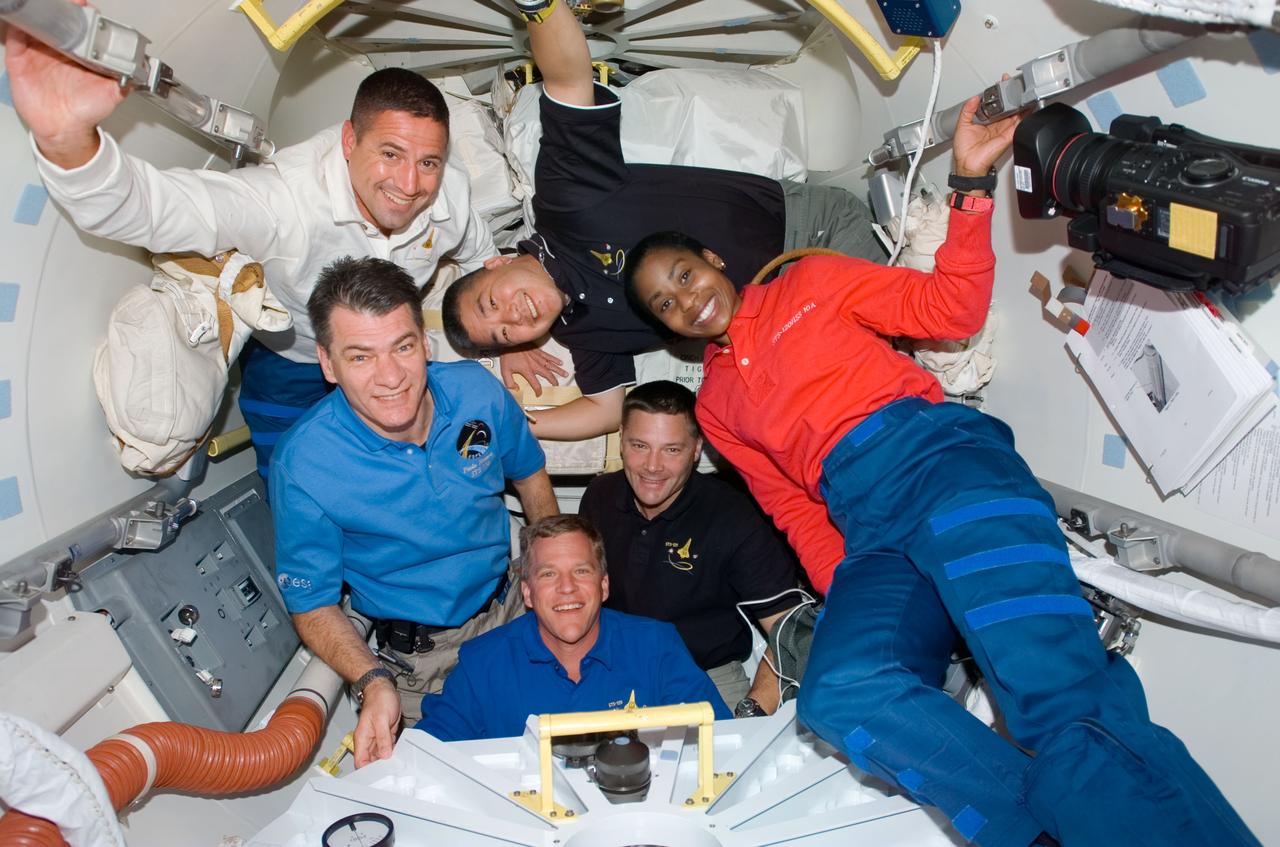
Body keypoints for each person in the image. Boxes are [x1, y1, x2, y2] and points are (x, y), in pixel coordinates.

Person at [623, 101, 1260, 846]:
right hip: (869, 533)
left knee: (1055, 700)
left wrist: (969, 184)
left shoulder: (810, 284)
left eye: (685, 274)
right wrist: (847, 589)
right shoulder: (717, 403)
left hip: (944, 470)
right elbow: (793, 509)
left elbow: (949, 309)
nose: (687, 299)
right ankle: (1035, 832)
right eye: (666, 303)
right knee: (842, 694)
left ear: (713, 260)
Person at [5, 9, 496, 474]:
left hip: (391, 356)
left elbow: (479, 251)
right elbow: (151, 208)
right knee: (288, 473)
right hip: (293, 359)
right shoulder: (282, 201)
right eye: (390, 154)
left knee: (407, 466)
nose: (410, 184)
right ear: (350, 141)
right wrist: (66, 138)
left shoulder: (447, 192)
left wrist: (510, 339)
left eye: (428, 162)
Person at [438, 0, 884, 442]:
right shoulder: (584, 333)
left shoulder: (566, 203)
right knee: (813, 411)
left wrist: (540, 8)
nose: (514, 317)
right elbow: (605, 411)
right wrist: (516, 425)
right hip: (779, 318)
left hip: (809, 232)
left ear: (496, 263)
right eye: (505, 334)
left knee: (861, 378)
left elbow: (568, 82)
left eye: (492, 303)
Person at [270, 257, 558, 767]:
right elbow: (311, 604)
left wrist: (549, 569)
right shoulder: (304, 464)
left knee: (561, 759)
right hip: (420, 663)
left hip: (516, 608)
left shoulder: (475, 391)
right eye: (360, 357)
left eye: (402, 347)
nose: (390, 377)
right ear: (328, 364)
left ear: (425, 344)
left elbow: (530, 473)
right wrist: (371, 680)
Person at [578, 381, 800, 715]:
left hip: (708, 675)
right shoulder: (599, 497)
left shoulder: (733, 514)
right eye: (640, 445)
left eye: (671, 450)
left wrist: (751, 715)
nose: (652, 466)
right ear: (621, 439)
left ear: (696, 449)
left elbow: (790, 628)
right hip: (612, 671)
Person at [416, 515, 730, 741]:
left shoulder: (657, 646)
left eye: (581, 571)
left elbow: (719, 739)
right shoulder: (482, 663)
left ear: (604, 586)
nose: (567, 587)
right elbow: (428, 756)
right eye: (549, 574)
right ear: (527, 593)